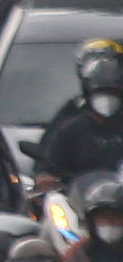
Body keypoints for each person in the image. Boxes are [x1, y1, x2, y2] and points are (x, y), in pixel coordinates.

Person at [37, 52, 123, 184]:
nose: (106, 100)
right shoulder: (70, 132)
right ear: (87, 94)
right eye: (99, 93)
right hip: (78, 202)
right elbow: (49, 170)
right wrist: (46, 180)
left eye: (112, 93)